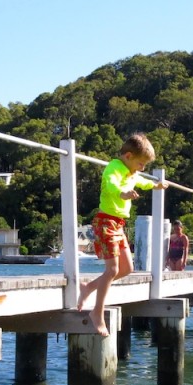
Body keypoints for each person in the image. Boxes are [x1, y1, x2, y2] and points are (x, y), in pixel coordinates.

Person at [77, 132, 168, 336]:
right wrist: (123, 193)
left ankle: (88, 288)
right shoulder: (114, 168)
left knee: (127, 268)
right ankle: (97, 313)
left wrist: (156, 185)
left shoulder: (131, 172)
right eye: (141, 163)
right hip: (105, 222)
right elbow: (111, 186)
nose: (142, 168)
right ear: (128, 156)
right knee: (112, 270)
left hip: (118, 224)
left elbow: (141, 181)